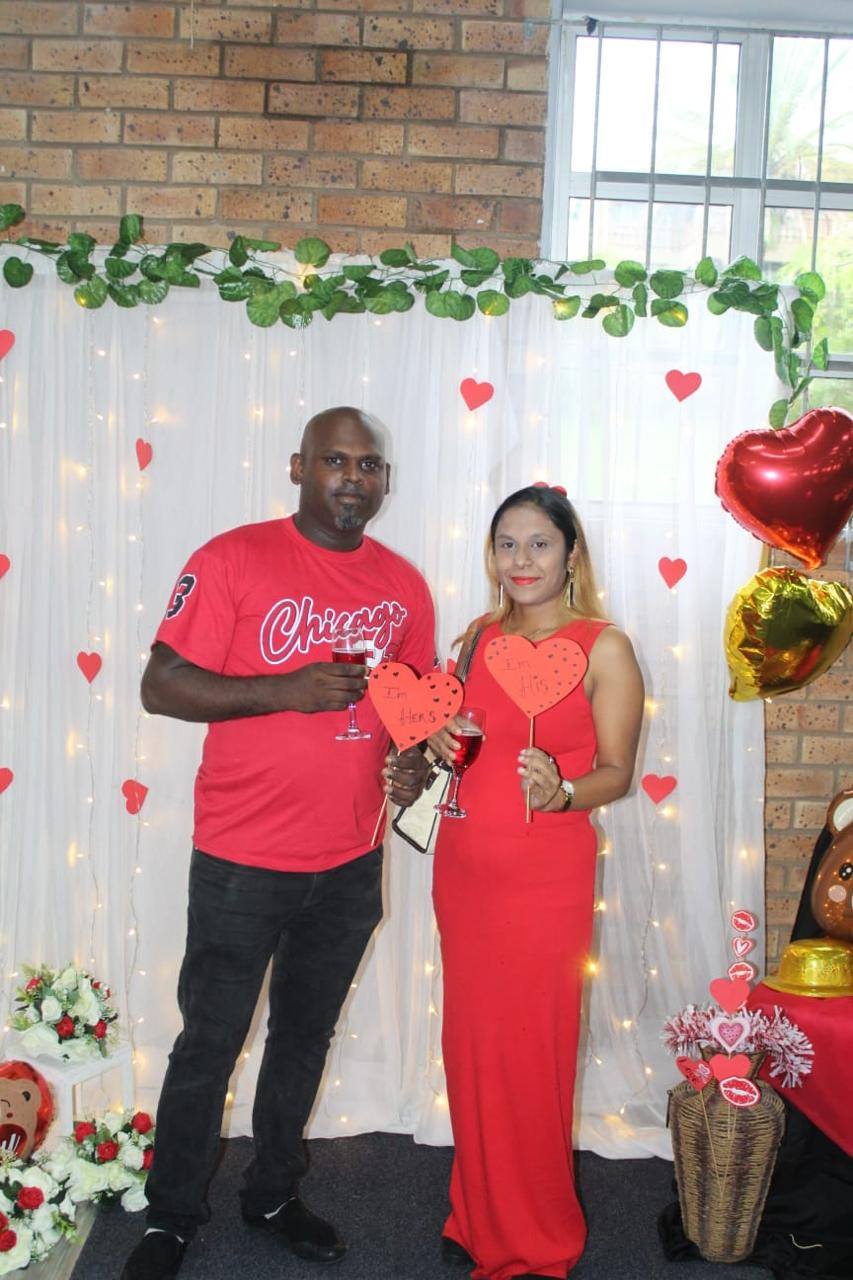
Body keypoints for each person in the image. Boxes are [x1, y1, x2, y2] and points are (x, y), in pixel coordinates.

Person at [122, 407, 436, 1280]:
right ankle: (170, 1218)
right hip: (240, 858)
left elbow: (410, 710)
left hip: (349, 861)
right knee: (209, 1043)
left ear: (384, 481)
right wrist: (283, 689)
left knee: (304, 1038)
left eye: (368, 466)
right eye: (335, 461)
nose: (352, 479)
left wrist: (411, 763)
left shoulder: (403, 586)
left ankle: (271, 1193)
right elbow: (160, 686)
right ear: (298, 467)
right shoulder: (231, 558)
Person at [429, 484, 644, 1280]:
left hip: (543, 881)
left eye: (539, 544)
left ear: (569, 553)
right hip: (464, 873)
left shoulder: (603, 646)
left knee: (530, 1055)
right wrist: (436, 739)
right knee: (472, 1049)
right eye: (506, 544)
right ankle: (476, 1213)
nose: (520, 560)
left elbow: (616, 773)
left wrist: (563, 791)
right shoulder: (476, 639)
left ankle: (536, 1238)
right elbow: (459, 753)